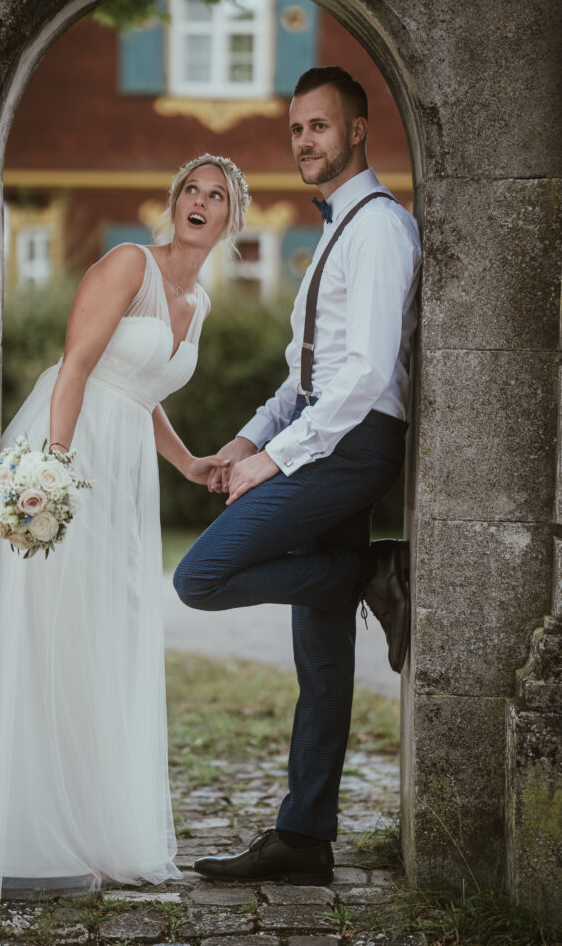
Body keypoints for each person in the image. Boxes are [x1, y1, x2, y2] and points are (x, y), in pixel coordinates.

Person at [0, 154, 250, 899]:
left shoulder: (200, 301)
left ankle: (93, 823)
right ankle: (32, 834)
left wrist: (183, 463)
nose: (200, 202)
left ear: (230, 220)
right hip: (74, 449)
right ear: (174, 200)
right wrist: (52, 472)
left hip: (128, 473)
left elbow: (142, 392)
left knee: (105, 630)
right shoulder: (128, 263)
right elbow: (79, 365)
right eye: (191, 189)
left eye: (217, 196)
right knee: (52, 627)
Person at [173, 67, 422, 885]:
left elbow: (359, 378)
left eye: (320, 126)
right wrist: (245, 442)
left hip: (352, 447)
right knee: (321, 656)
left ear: (357, 130)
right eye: (296, 130)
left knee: (201, 576)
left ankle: (372, 569)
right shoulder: (333, 234)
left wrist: (276, 461)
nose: (305, 141)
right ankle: (304, 836)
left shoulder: (381, 227)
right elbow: (301, 376)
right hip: (324, 435)